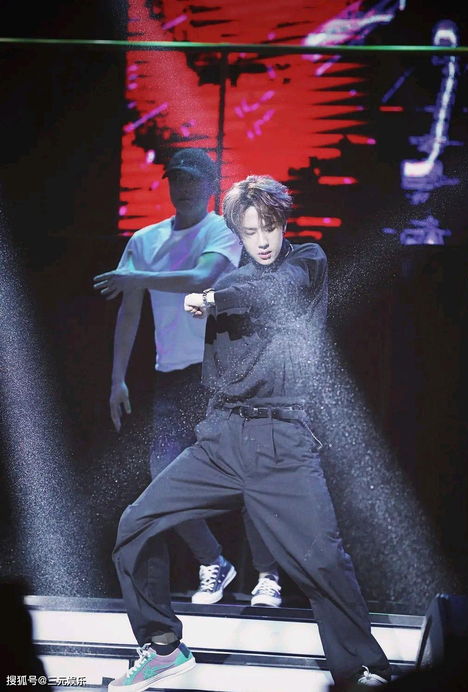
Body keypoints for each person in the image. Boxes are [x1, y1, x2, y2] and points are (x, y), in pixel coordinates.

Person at [108, 174, 392, 691]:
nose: (262, 241)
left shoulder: (306, 262)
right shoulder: (232, 276)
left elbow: (271, 291)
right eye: (250, 231)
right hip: (220, 439)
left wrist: (213, 298)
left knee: (323, 559)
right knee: (135, 525)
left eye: (270, 227)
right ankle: (163, 646)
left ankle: (361, 668)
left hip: (282, 442)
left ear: (284, 223)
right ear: (237, 232)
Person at [93, 149, 281, 607]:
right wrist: (118, 379)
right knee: (163, 474)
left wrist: (137, 276)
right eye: (176, 179)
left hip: (223, 372)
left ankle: (268, 575)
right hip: (171, 377)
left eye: (194, 179)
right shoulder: (145, 240)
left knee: (243, 473)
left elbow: (203, 276)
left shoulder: (222, 231)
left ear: (212, 186)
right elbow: (129, 313)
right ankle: (213, 560)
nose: (184, 188)